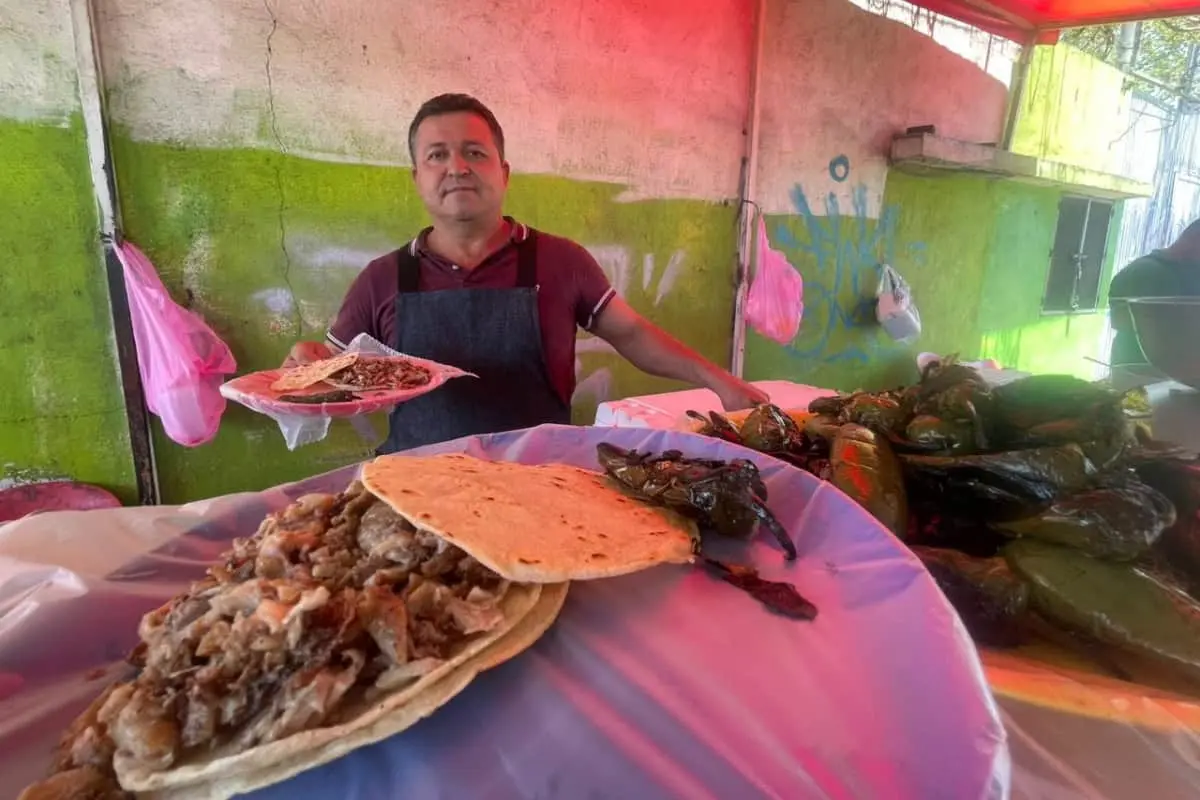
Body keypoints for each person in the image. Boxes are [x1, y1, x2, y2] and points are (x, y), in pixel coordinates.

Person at [286, 93, 767, 453]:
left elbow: (634, 334)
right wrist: (305, 367)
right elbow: (333, 371)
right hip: (416, 487)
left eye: (475, 152)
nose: (457, 167)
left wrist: (719, 380)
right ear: (417, 176)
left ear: (504, 172)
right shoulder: (382, 278)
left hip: (547, 481)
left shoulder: (561, 261)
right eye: (437, 154)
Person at [1108, 218, 1200, 367]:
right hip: (1144, 374)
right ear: (1194, 239)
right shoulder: (1148, 273)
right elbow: (1163, 340)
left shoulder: (1186, 271)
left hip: (1172, 376)